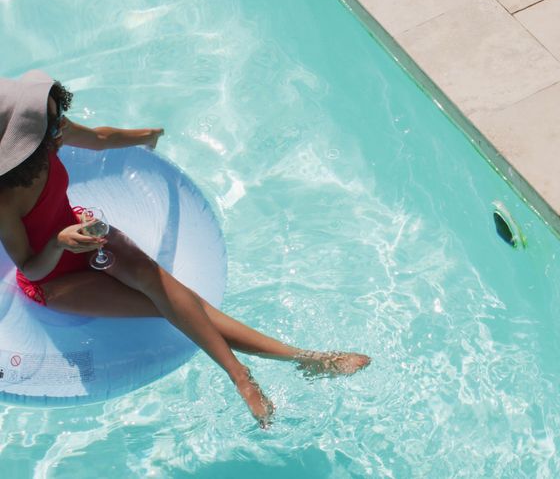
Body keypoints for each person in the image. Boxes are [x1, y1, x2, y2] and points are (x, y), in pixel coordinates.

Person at [0, 71, 370, 427]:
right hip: (52, 279)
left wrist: (146, 134)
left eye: (56, 115)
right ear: (23, 142)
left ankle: (304, 360)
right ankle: (250, 374)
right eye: (49, 123)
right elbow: (30, 268)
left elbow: (98, 137)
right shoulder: (4, 202)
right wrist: (59, 242)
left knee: (172, 293)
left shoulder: (53, 134)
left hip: (88, 233)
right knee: (170, 307)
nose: (61, 125)